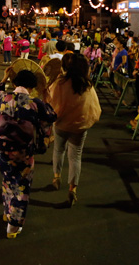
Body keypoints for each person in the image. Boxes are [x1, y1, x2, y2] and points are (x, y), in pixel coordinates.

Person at [0, 67, 56, 238]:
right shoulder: (35, 103)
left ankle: (7, 212)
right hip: (23, 153)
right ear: (32, 87)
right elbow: (50, 118)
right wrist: (46, 97)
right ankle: (13, 225)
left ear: (14, 83)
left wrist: (4, 78)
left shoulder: (1, 98)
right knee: (22, 186)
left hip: (2, 150)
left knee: (7, 180)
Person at [48, 53, 101, 207]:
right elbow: (94, 107)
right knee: (75, 156)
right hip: (80, 127)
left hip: (61, 124)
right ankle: (73, 188)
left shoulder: (60, 83)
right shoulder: (87, 85)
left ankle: (56, 177)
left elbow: (50, 100)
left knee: (58, 150)